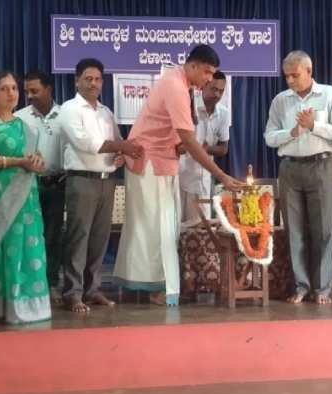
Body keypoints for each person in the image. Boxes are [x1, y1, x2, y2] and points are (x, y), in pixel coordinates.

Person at [114, 45, 244, 306]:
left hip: (159, 163)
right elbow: (188, 139)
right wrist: (221, 175)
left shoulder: (181, 84)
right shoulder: (175, 86)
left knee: (155, 227)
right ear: (192, 66)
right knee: (155, 229)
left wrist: (182, 146)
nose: (209, 79)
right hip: (150, 165)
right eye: (207, 72)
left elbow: (179, 139)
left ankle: (145, 286)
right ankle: (156, 288)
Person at [265, 51, 332, 305]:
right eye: (287, 76)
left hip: (321, 166)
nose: (290, 80)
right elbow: (269, 137)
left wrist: (314, 126)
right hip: (290, 168)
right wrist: (291, 132)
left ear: (309, 71)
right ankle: (301, 286)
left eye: (295, 75)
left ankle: (322, 288)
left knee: (323, 229)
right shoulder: (280, 100)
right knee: (294, 231)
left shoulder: (329, 94)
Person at [59, 58, 142, 314]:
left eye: (97, 79)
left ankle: (92, 290)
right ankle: (72, 293)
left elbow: (117, 141)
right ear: (77, 81)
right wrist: (122, 147)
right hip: (82, 180)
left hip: (108, 182)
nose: (93, 83)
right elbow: (86, 143)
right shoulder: (70, 109)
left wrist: (121, 155)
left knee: (99, 239)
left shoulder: (106, 112)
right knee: (78, 238)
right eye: (88, 78)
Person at [0, 71, 51, 324]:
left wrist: (37, 163)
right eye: (3, 88)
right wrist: (17, 162)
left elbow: (38, 162)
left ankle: (31, 307)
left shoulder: (26, 127)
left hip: (26, 203)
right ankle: (2, 308)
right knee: (2, 251)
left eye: (14, 88)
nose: (11, 93)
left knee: (28, 249)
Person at [15, 70, 65, 304]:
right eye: (27, 91)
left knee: (53, 237)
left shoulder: (65, 115)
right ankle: (29, 284)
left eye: (35, 91)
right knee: (29, 236)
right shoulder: (20, 117)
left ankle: (51, 283)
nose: (30, 96)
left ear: (49, 89)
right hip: (29, 184)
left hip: (58, 185)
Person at [179, 70, 230, 222]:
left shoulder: (223, 113)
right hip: (180, 178)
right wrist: (192, 147)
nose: (217, 95)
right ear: (203, 86)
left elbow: (223, 149)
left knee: (201, 229)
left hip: (203, 181)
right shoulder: (188, 107)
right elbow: (178, 146)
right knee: (176, 228)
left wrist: (206, 149)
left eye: (221, 91)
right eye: (213, 89)